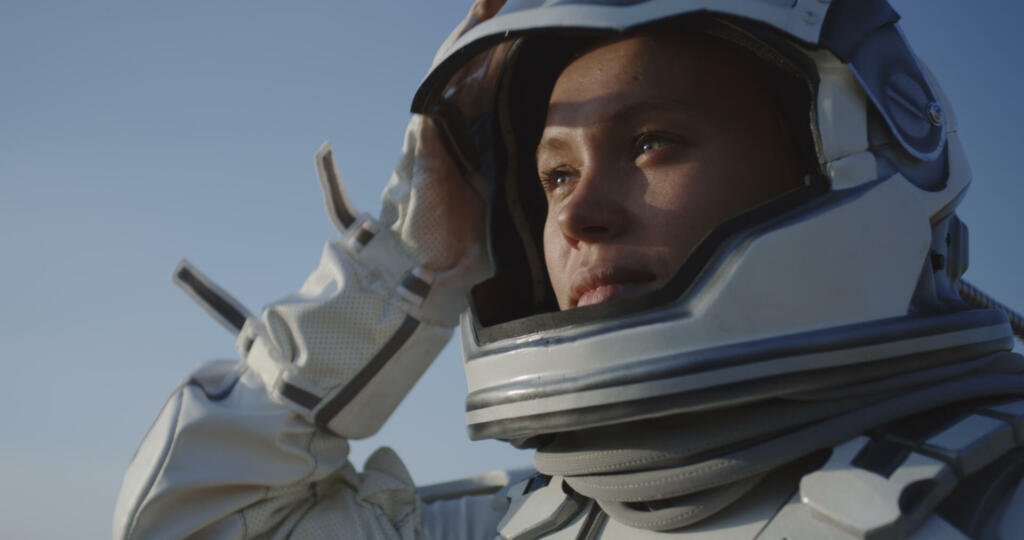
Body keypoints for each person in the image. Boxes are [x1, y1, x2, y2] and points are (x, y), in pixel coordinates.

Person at [114, 1, 1024, 538]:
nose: (577, 214)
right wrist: (407, 268)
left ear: (837, 152)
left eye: (652, 142)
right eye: (554, 174)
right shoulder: (533, 523)